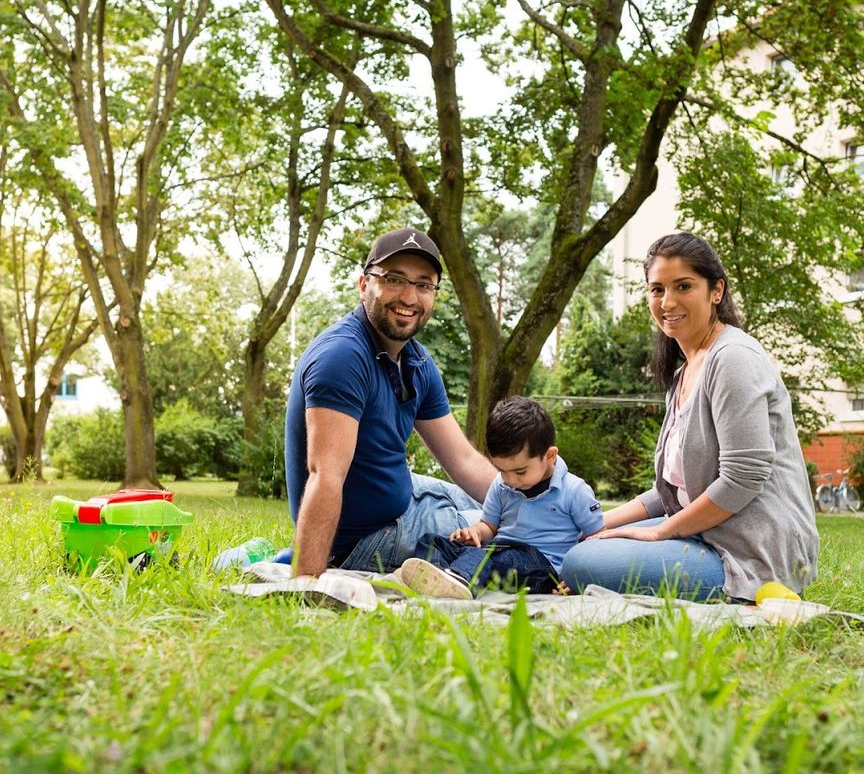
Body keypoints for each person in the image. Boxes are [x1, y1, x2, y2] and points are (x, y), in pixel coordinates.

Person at [560, 232, 820, 602]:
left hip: (750, 550)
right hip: (706, 531)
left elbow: (743, 478)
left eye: (683, 286)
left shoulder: (733, 358)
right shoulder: (685, 372)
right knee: (584, 545)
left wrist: (660, 532)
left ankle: (757, 591)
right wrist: (595, 525)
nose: (668, 302)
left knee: (582, 563)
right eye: (657, 289)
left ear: (716, 291)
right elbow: (669, 491)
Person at [284, 227, 496, 577]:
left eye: (424, 284)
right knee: (505, 535)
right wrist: (307, 583)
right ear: (364, 284)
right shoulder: (343, 357)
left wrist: (540, 497)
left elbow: (463, 460)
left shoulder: (416, 361)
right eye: (395, 279)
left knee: (511, 504)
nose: (410, 298)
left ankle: (565, 510)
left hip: (404, 494)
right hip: (368, 538)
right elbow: (326, 475)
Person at [398, 396, 604, 598]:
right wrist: (475, 532)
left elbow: (596, 539)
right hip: (499, 551)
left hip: (542, 566)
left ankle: (459, 578)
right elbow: (489, 526)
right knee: (433, 541)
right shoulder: (501, 483)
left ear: (549, 456)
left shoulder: (575, 490)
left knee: (485, 555)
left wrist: (576, 577)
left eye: (520, 471)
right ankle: (435, 575)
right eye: (502, 470)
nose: (509, 479)